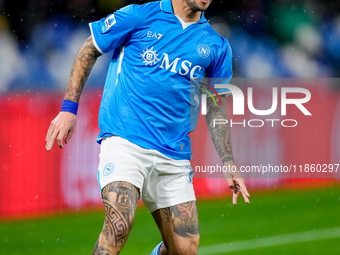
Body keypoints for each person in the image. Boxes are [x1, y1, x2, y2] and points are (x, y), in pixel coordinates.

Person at [45, 0, 250, 254]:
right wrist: (69, 108)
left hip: (174, 156)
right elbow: (90, 48)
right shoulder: (139, 15)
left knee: (185, 250)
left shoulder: (216, 46)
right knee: (117, 227)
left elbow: (215, 105)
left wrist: (228, 161)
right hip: (126, 142)